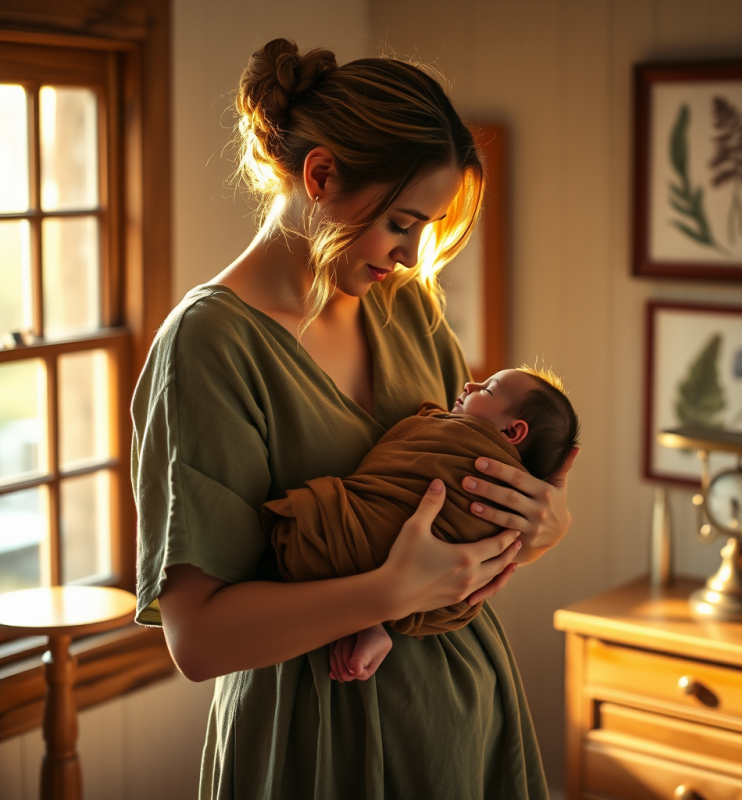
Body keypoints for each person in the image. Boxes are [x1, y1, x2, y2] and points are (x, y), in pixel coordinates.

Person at [131, 37, 577, 800]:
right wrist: (387, 594)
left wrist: (540, 528)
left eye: (424, 229)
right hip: (310, 743)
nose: (409, 255)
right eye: (402, 223)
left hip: (460, 721)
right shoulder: (209, 345)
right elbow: (198, 640)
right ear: (322, 174)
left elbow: (462, 496)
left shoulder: (407, 307)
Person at [262, 366, 580, 670]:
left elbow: (476, 526)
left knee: (348, 534)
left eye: (487, 389)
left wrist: (539, 540)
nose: (470, 385)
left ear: (512, 431)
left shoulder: (485, 459)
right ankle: (369, 622)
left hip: (448, 608)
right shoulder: (461, 436)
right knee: (378, 545)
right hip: (439, 611)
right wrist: (385, 595)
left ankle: (369, 619)